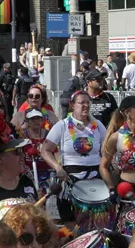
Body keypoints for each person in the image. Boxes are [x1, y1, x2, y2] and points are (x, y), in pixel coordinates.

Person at [42, 91, 108, 221]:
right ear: (72, 105)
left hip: (95, 178)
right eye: (81, 102)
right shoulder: (62, 125)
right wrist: (57, 167)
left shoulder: (98, 125)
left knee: (97, 220)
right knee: (69, 219)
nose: (86, 106)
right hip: (70, 177)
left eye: (88, 102)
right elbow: (45, 150)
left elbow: (107, 149)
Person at [100, 96, 135, 226]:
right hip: (126, 191)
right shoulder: (116, 137)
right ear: (127, 112)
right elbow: (103, 166)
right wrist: (111, 188)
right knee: (127, 227)